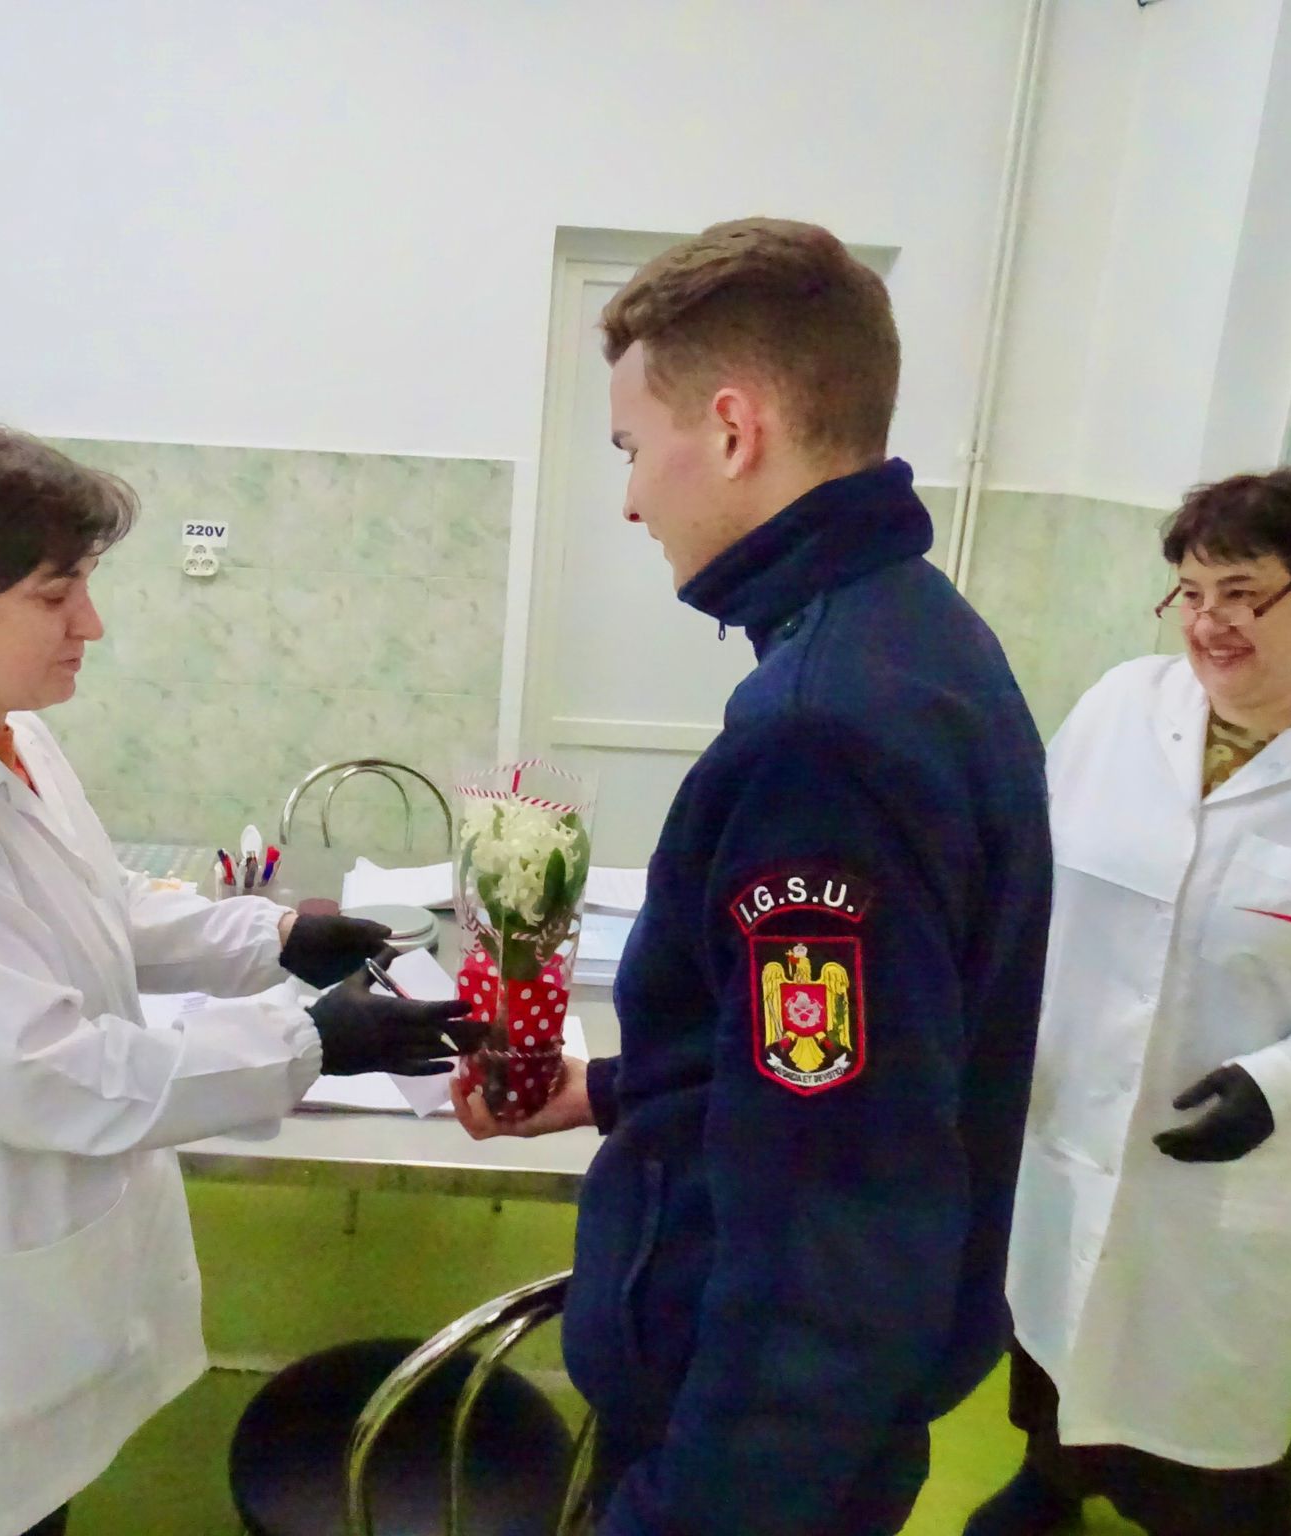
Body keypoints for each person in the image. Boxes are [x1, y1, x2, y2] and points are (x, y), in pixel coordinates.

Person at [0, 410, 474, 1536]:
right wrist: (309, 1042)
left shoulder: (0, 731)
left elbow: (96, 900)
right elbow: (45, 1072)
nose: (91, 623)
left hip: (31, 1261)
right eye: (55, 595)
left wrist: (276, 938)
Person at [452, 218, 1053, 1534]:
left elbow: (832, 1204)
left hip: (756, 1453)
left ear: (731, 429)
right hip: (820, 1419)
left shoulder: (821, 734)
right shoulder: (917, 638)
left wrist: (694, 1513)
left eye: (629, 448)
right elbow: (851, 1067)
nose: (627, 501)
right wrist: (613, 1088)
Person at [966, 469, 1291, 1536]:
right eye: (1190, 594)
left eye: (1242, 594)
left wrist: (1280, 1081)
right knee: (1054, 1337)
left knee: (1208, 1433)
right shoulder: (1119, 706)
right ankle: (1051, 1479)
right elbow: (1028, 880)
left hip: (1233, 1175)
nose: (1207, 624)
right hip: (1069, 1125)